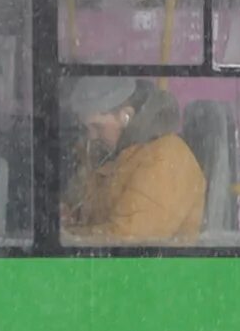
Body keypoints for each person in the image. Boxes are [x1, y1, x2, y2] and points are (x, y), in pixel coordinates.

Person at [62, 76, 203, 244]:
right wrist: (70, 215)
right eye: (87, 128)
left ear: (126, 116)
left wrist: (67, 236)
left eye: (98, 127)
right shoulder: (112, 156)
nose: (92, 136)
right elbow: (90, 208)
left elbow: (129, 241)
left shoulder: (166, 158)